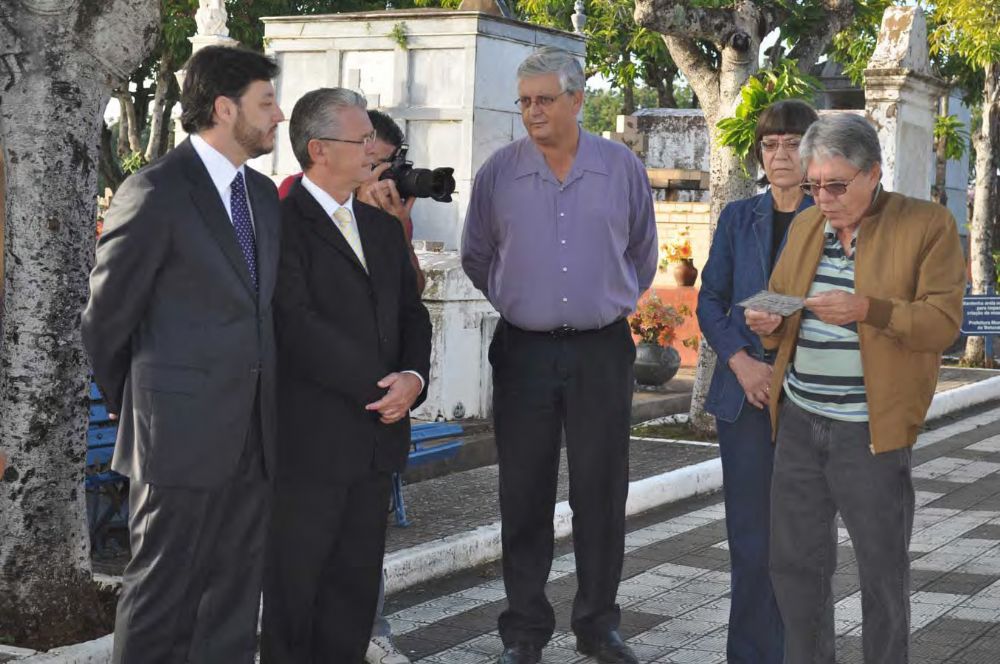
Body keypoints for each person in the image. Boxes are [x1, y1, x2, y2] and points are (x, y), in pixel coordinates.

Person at [81, 46, 284, 664]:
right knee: (161, 598)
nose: (278, 117)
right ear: (225, 109)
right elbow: (105, 322)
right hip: (175, 436)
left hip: (254, 431)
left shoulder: (263, 195)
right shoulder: (156, 191)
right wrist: (146, 411)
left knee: (232, 596)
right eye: (266, 102)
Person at [745, 113, 966, 663]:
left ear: (873, 173)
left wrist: (869, 310)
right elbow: (780, 302)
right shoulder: (804, 226)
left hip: (870, 429)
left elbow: (943, 324)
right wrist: (770, 327)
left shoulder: (927, 224)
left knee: (881, 573)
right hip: (798, 420)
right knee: (795, 568)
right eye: (813, 185)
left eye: (837, 185)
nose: (824, 197)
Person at [461, 47, 657, 664]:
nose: (532, 111)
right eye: (524, 101)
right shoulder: (499, 173)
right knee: (523, 494)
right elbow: (476, 256)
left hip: (602, 350)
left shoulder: (620, 167)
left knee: (601, 491)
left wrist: (599, 300)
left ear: (577, 99)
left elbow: (643, 254)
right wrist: (524, 300)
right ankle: (524, 632)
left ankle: (598, 626)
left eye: (545, 99)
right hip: (523, 353)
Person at [260, 88, 432, 664]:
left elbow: (412, 313)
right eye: (360, 141)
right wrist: (376, 389)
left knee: (355, 590)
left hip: (377, 441)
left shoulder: (381, 227)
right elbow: (297, 324)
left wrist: (411, 378)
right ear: (318, 149)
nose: (371, 152)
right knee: (295, 588)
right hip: (310, 440)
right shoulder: (281, 223)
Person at [696, 99, 818, 664]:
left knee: (801, 544)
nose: (781, 154)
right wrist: (742, 363)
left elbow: (844, 297)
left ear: (814, 150)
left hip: (813, 399)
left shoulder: (832, 216)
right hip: (744, 396)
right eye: (771, 145)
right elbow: (712, 299)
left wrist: (787, 315)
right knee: (750, 544)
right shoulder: (738, 216)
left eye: (793, 143)